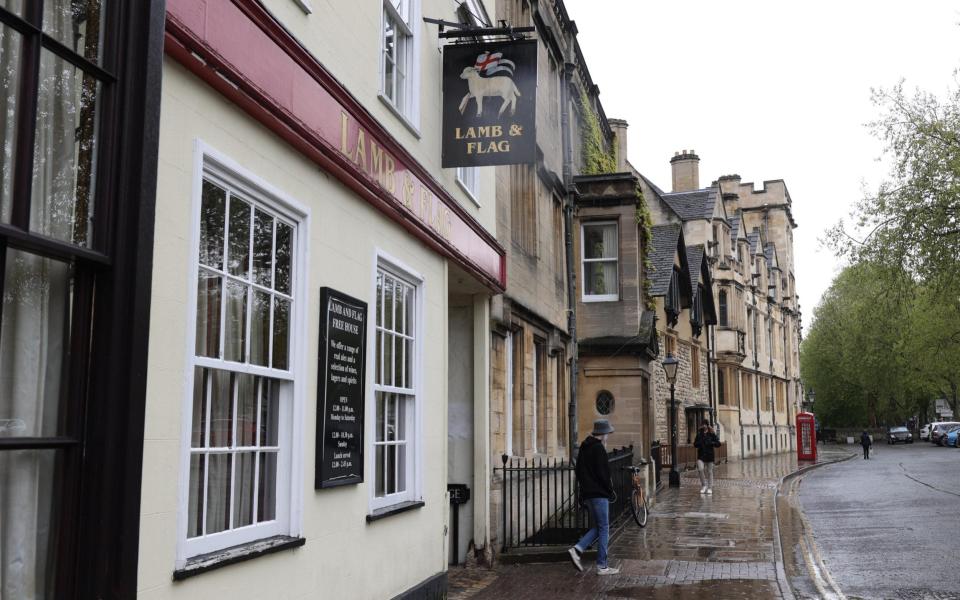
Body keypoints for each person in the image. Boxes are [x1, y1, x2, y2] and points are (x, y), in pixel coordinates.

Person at [568, 419, 620, 575]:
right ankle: (602, 565)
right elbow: (604, 474)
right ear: (603, 434)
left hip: (588, 494)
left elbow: (579, 472)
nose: (608, 437)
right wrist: (610, 490)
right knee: (604, 527)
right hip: (599, 494)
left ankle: (577, 549)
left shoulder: (584, 448)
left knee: (598, 526)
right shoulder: (598, 449)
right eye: (607, 434)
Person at [693, 420, 721, 494]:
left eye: (705, 424)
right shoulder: (699, 434)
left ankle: (710, 488)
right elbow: (695, 444)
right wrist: (700, 443)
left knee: (709, 472)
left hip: (709, 455)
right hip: (701, 455)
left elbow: (718, 444)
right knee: (700, 469)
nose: (704, 426)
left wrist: (711, 443)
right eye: (703, 424)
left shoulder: (712, 434)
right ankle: (704, 485)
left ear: (707, 425)